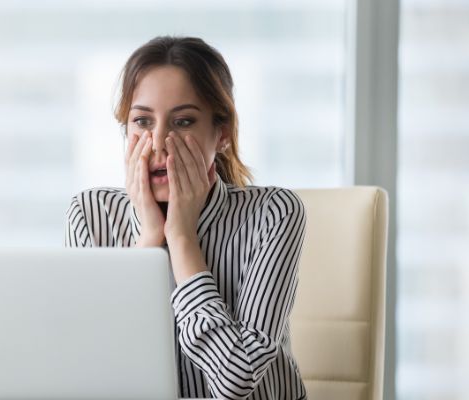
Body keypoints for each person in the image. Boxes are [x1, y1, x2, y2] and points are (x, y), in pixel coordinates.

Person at [64, 35, 307, 400]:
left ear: (221, 134)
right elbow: (93, 372)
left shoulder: (274, 213)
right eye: (142, 121)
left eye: (182, 121)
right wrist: (148, 241)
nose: (159, 143)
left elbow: (235, 381)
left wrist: (181, 239)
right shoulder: (91, 215)